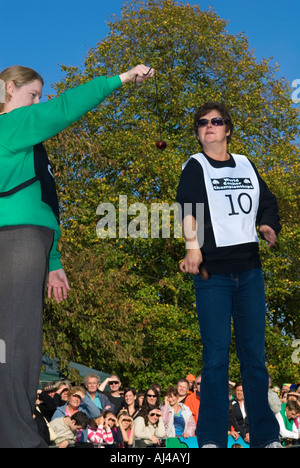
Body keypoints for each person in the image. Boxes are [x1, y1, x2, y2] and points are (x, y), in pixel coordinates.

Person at [0, 63, 154, 448]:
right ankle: (17, 438)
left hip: (30, 239)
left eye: (41, 96)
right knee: (17, 342)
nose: (39, 102)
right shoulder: (13, 125)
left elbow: (45, 202)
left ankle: (17, 429)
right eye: (33, 95)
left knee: (18, 341)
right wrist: (119, 78)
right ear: (8, 89)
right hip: (14, 237)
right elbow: (67, 107)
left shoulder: (28, 142)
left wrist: (54, 263)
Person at [176, 101, 281, 448]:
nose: (209, 126)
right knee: (216, 358)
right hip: (213, 275)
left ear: (228, 129)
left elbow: (267, 200)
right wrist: (193, 247)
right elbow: (188, 206)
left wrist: (268, 224)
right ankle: (210, 439)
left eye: (216, 121)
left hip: (250, 271)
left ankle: (266, 437)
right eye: (202, 122)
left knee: (254, 357)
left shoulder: (248, 164)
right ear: (198, 132)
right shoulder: (195, 166)